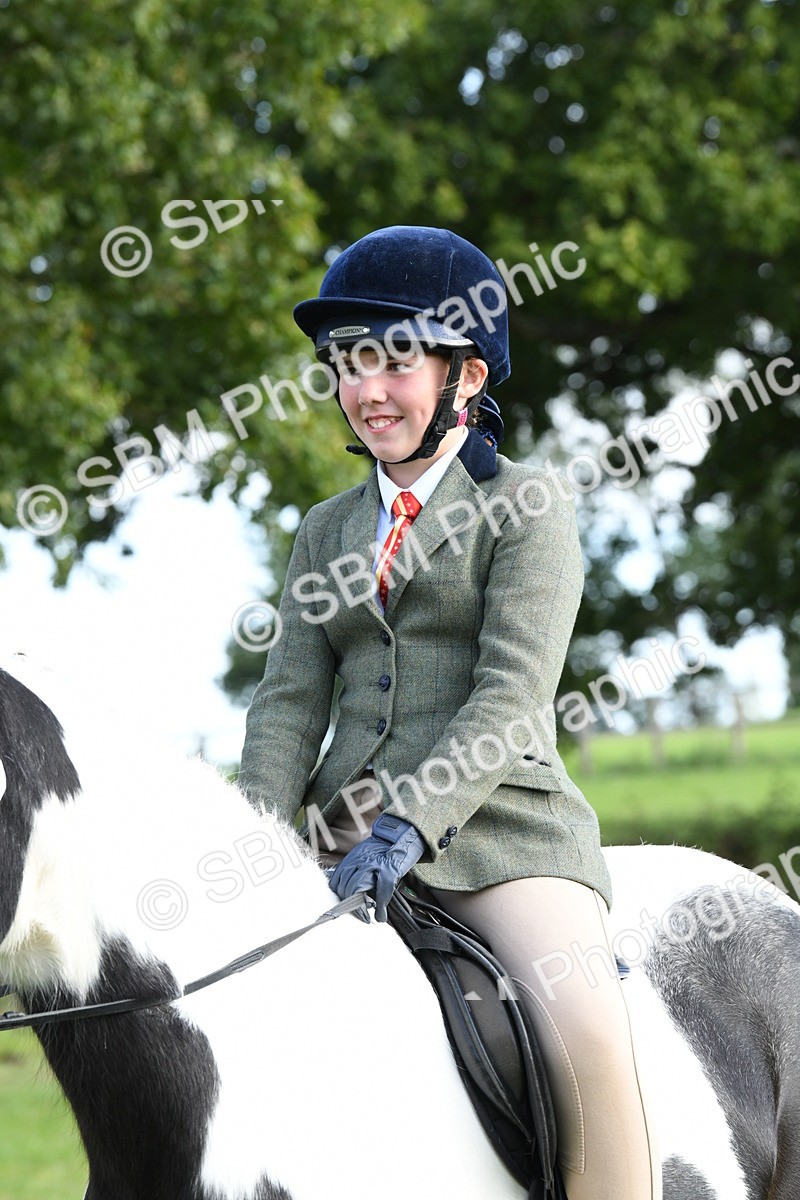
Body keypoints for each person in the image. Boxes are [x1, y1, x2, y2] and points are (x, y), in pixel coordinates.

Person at [239, 225, 661, 1200]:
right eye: (347, 364)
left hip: (498, 838)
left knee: (585, 1026)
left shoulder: (529, 506)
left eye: (392, 361)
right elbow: (286, 709)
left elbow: (509, 700)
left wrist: (404, 829)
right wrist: (257, 838)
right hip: (336, 841)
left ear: (464, 378)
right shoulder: (322, 532)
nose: (365, 390)